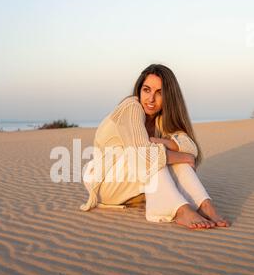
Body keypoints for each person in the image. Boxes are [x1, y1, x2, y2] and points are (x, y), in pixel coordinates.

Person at [80, 64, 230, 230]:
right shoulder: (131, 107)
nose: (151, 99)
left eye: (159, 93)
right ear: (139, 90)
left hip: (129, 187)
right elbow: (144, 158)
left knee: (163, 155)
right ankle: (179, 210)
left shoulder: (160, 120)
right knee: (154, 156)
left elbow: (191, 147)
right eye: (147, 90)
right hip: (104, 183)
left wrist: (168, 143)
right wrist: (184, 157)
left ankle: (205, 205)